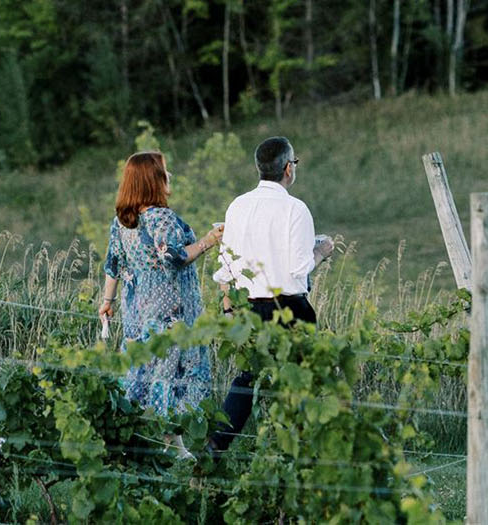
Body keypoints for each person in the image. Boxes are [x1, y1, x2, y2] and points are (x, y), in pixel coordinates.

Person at [207, 136, 335, 455]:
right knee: (302, 380)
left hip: (247, 306)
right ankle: (301, 449)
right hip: (288, 307)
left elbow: (227, 265)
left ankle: (216, 444)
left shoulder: (238, 205)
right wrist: (323, 250)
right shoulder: (296, 209)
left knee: (248, 379)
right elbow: (299, 269)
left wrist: (228, 308)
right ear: (288, 169)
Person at [97, 151, 223, 421]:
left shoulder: (121, 221)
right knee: (168, 377)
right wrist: (209, 240)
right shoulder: (161, 218)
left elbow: (113, 264)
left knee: (143, 375)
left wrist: (108, 302)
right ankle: (168, 441)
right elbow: (174, 258)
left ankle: (150, 439)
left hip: (137, 315)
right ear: (153, 179)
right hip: (169, 314)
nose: (170, 176)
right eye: (165, 171)